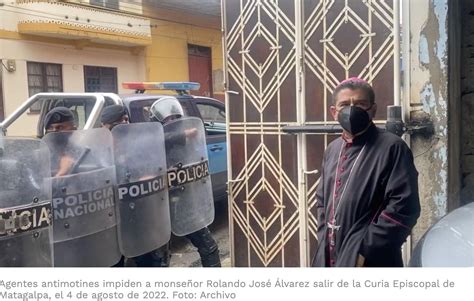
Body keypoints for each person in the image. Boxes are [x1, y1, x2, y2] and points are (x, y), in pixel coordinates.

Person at [311, 77, 421, 267]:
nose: (352, 110)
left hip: (370, 258)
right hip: (330, 252)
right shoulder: (333, 149)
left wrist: (366, 251)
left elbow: (404, 207)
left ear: (373, 109)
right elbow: (322, 201)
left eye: (361, 104)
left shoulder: (392, 147)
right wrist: (324, 237)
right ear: (333, 112)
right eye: (344, 104)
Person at [131, 97, 221, 267]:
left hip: (184, 202)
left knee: (209, 247)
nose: (173, 123)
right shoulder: (148, 139)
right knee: (160, 259)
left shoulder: (187, 139)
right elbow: (159, 142)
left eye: (176, 119)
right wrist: (182, 134)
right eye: (168, 120)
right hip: (158, 207)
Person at [43, 107, 78, 177]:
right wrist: (62, 173)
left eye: (60, 127)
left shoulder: (83, 152)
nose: (54, 131)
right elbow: (39, 186)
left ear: (73, 129)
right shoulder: (40, 156)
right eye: (50, 128)